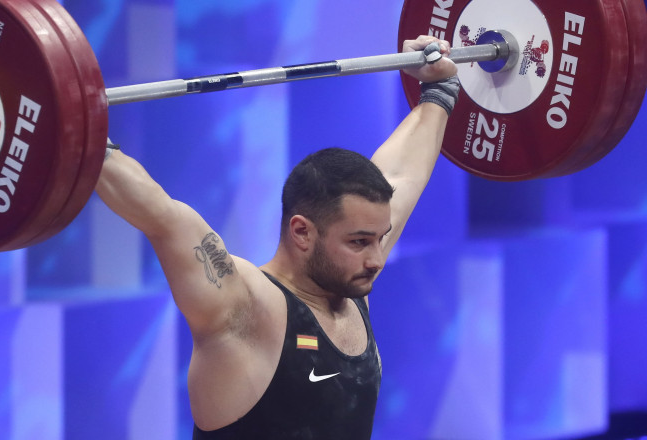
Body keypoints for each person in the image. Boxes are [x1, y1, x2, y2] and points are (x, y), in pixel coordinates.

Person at [95, 35, 459, 439]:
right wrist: (87, 138)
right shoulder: (244, 308)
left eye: (379, 238)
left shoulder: (351, 281)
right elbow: (162, 217)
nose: (377, 258)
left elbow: (401, 177)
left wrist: (438, 92)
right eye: (359, 242)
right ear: (302, 231)